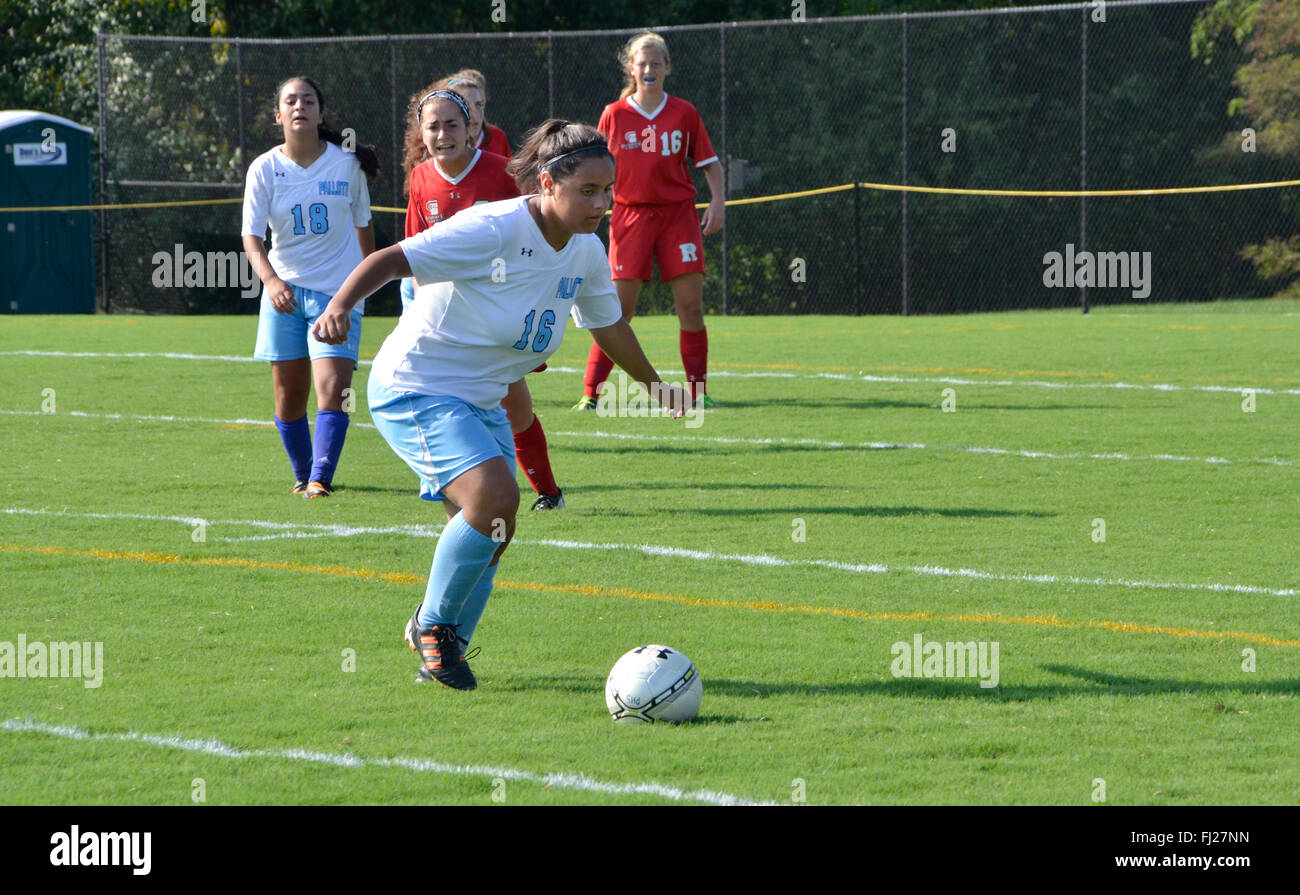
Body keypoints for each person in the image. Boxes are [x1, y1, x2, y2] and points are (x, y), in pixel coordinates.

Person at [312, 120, 689, 690]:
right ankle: (435, 627)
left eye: (608, 190)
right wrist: (340, 305)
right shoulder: (491, 228)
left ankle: (442, 645)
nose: (602, 203)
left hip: (480, 398)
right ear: (547, 184)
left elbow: (609, 326)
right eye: (587, 190)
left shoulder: (584, 252)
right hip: (418, 384)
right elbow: (392, 260)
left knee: (494, 530)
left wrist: (656, 386)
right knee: (496, 498)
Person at [401, 85, 568, 511]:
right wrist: (422, 307)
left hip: (497, 310)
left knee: (515, 404)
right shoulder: (420, 178)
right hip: (446, 316)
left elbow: (535, 228)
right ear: (421, 134)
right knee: (442, 401)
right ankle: (457, 489)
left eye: (451, 125)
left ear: (470, 127)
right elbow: (415, 249)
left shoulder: (502, 171)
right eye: (433, 127)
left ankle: (548, 491)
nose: (442, 135)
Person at [242, 75, 378, 498]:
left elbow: (364, 229)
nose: (299, 107)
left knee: (334, 389)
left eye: (308, 101)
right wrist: (271, 281)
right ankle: (304, 475)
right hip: (283, 295)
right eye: (291, 101)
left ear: (320, 112)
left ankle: (320, 478)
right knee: (288, 398)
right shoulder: (264, 168)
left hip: (336, 294)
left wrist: (359, 290)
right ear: (278, 115)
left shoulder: (346, 163)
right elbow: (251, 237)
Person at [576, 31, 725, 411]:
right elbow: (594, 166)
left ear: (667, 68)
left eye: (656, 63)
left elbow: (710, 165)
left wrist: (718, 203)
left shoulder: (684, 112)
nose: (649, 69)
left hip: (678, 215)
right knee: (617, 310)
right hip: (630, 216)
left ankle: (698, 389)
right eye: (642, 63)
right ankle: (591, 393)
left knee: (690, 306)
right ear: (631, 68)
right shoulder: (615, 113)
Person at [445, 69, 511, 158]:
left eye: (478, 104)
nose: (474, 113)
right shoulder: (439, 142)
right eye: (466, 105)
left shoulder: (497, 137)